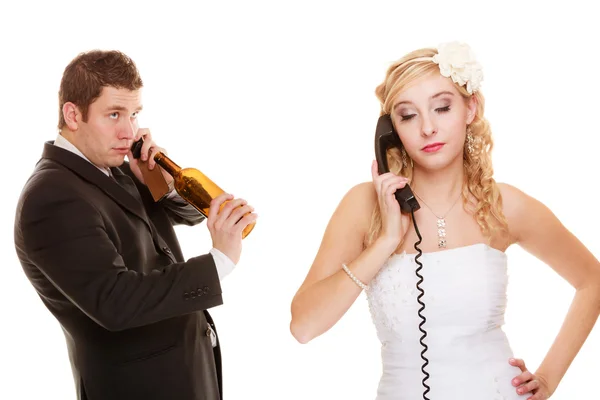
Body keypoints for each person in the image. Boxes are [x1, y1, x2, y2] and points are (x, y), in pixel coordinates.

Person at [289, 42, 600, 399]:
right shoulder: (364, 205)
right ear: (390, 130)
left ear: (471, 108)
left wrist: (548, 379)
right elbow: (304, 326)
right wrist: (386, 240)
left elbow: (592, 280)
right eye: (408, 115)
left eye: (441, 107)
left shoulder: (504, 204)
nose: (428, 129)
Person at [13, 50, 257, 400]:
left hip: (182, 377)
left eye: (134, 114)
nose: (129, 131)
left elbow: (181, 219)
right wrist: (218, 262)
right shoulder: (51, 196)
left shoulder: (110, 168)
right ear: (73, 114)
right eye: (114, 114)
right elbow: (115, 303)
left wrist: (162, 182)